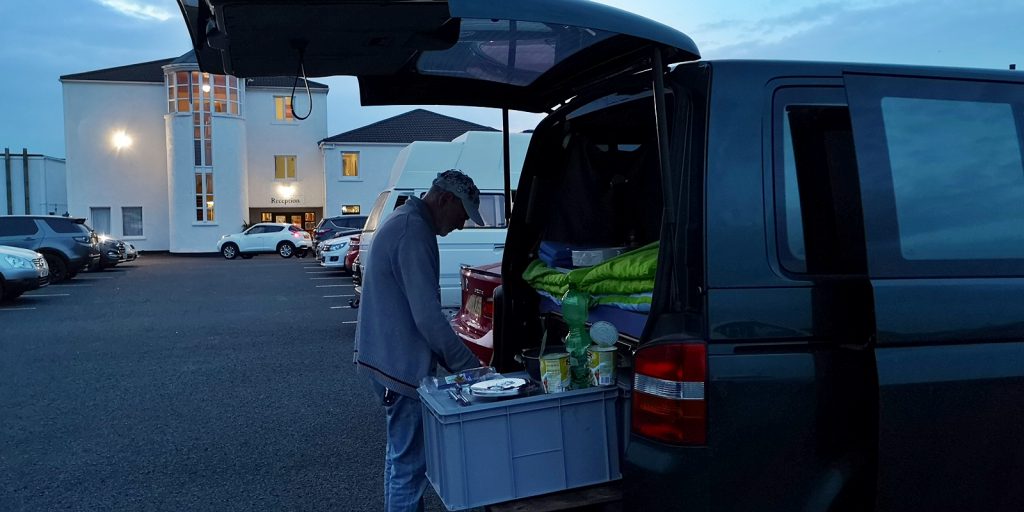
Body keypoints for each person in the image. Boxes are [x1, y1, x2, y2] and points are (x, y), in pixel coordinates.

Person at [353, 169, 485, 512]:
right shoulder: (413, 231)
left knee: (400, 460)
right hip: (399, 365)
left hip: (385, 358)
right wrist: (472, 369)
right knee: (410, 467)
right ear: (444, 199)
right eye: (461, 215)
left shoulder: (406, 221)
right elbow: (427, 318)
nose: (461, 224)